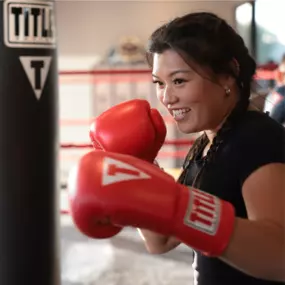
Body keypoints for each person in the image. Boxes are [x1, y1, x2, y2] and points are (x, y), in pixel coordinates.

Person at [68, 12, 285, 285]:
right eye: (159, 83)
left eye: (179, 80)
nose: (167, 97)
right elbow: (161, 240)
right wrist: (140, 167)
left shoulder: (257, 138)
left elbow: (279, 255)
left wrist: (184, 209)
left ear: (229, 75)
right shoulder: (206, 144)